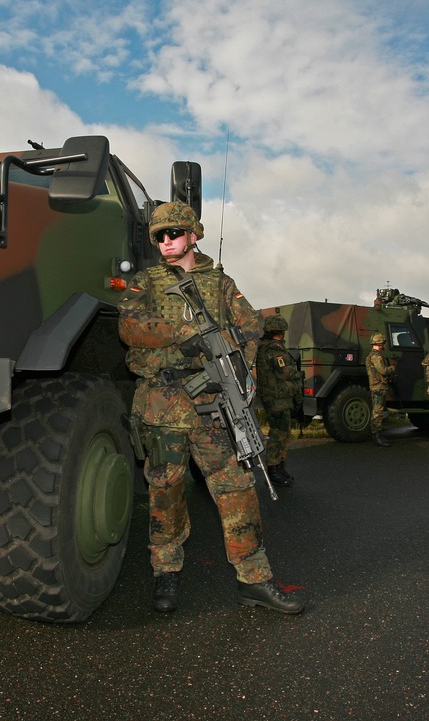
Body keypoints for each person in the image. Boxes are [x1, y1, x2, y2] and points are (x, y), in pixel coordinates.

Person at [118, 201, 304, 615]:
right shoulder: (145, 282)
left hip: (215, 406)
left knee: (237, 490)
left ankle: (253, 579)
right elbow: (130, 328)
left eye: (174, 234)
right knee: (165, 492)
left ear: (193, 235)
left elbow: (252, 326)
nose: (166, 242)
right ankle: (165, 572)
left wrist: (239, 367)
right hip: (162, 407)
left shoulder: (220, 283)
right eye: (160, 236)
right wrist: (186, 334)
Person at [256, 314, 302, 486]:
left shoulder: (266, 347)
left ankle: (280, 467)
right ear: (280, 331)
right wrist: (298, 374)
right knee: (278, 434)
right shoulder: (273, 349)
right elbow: (284, 372)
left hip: (278, 396)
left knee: (284, 433)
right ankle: (274, 469)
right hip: (277, 397)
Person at [365, 332, 397, 447]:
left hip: (377, 385)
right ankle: (377, 435)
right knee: (378, 412)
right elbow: (383, 371)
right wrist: (392, 368)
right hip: (379, 386)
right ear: (379, 343)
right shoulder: (376, 356)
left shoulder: (372, 355)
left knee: (377, 411)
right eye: (382, 343)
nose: (383, 345)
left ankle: (376, 434)